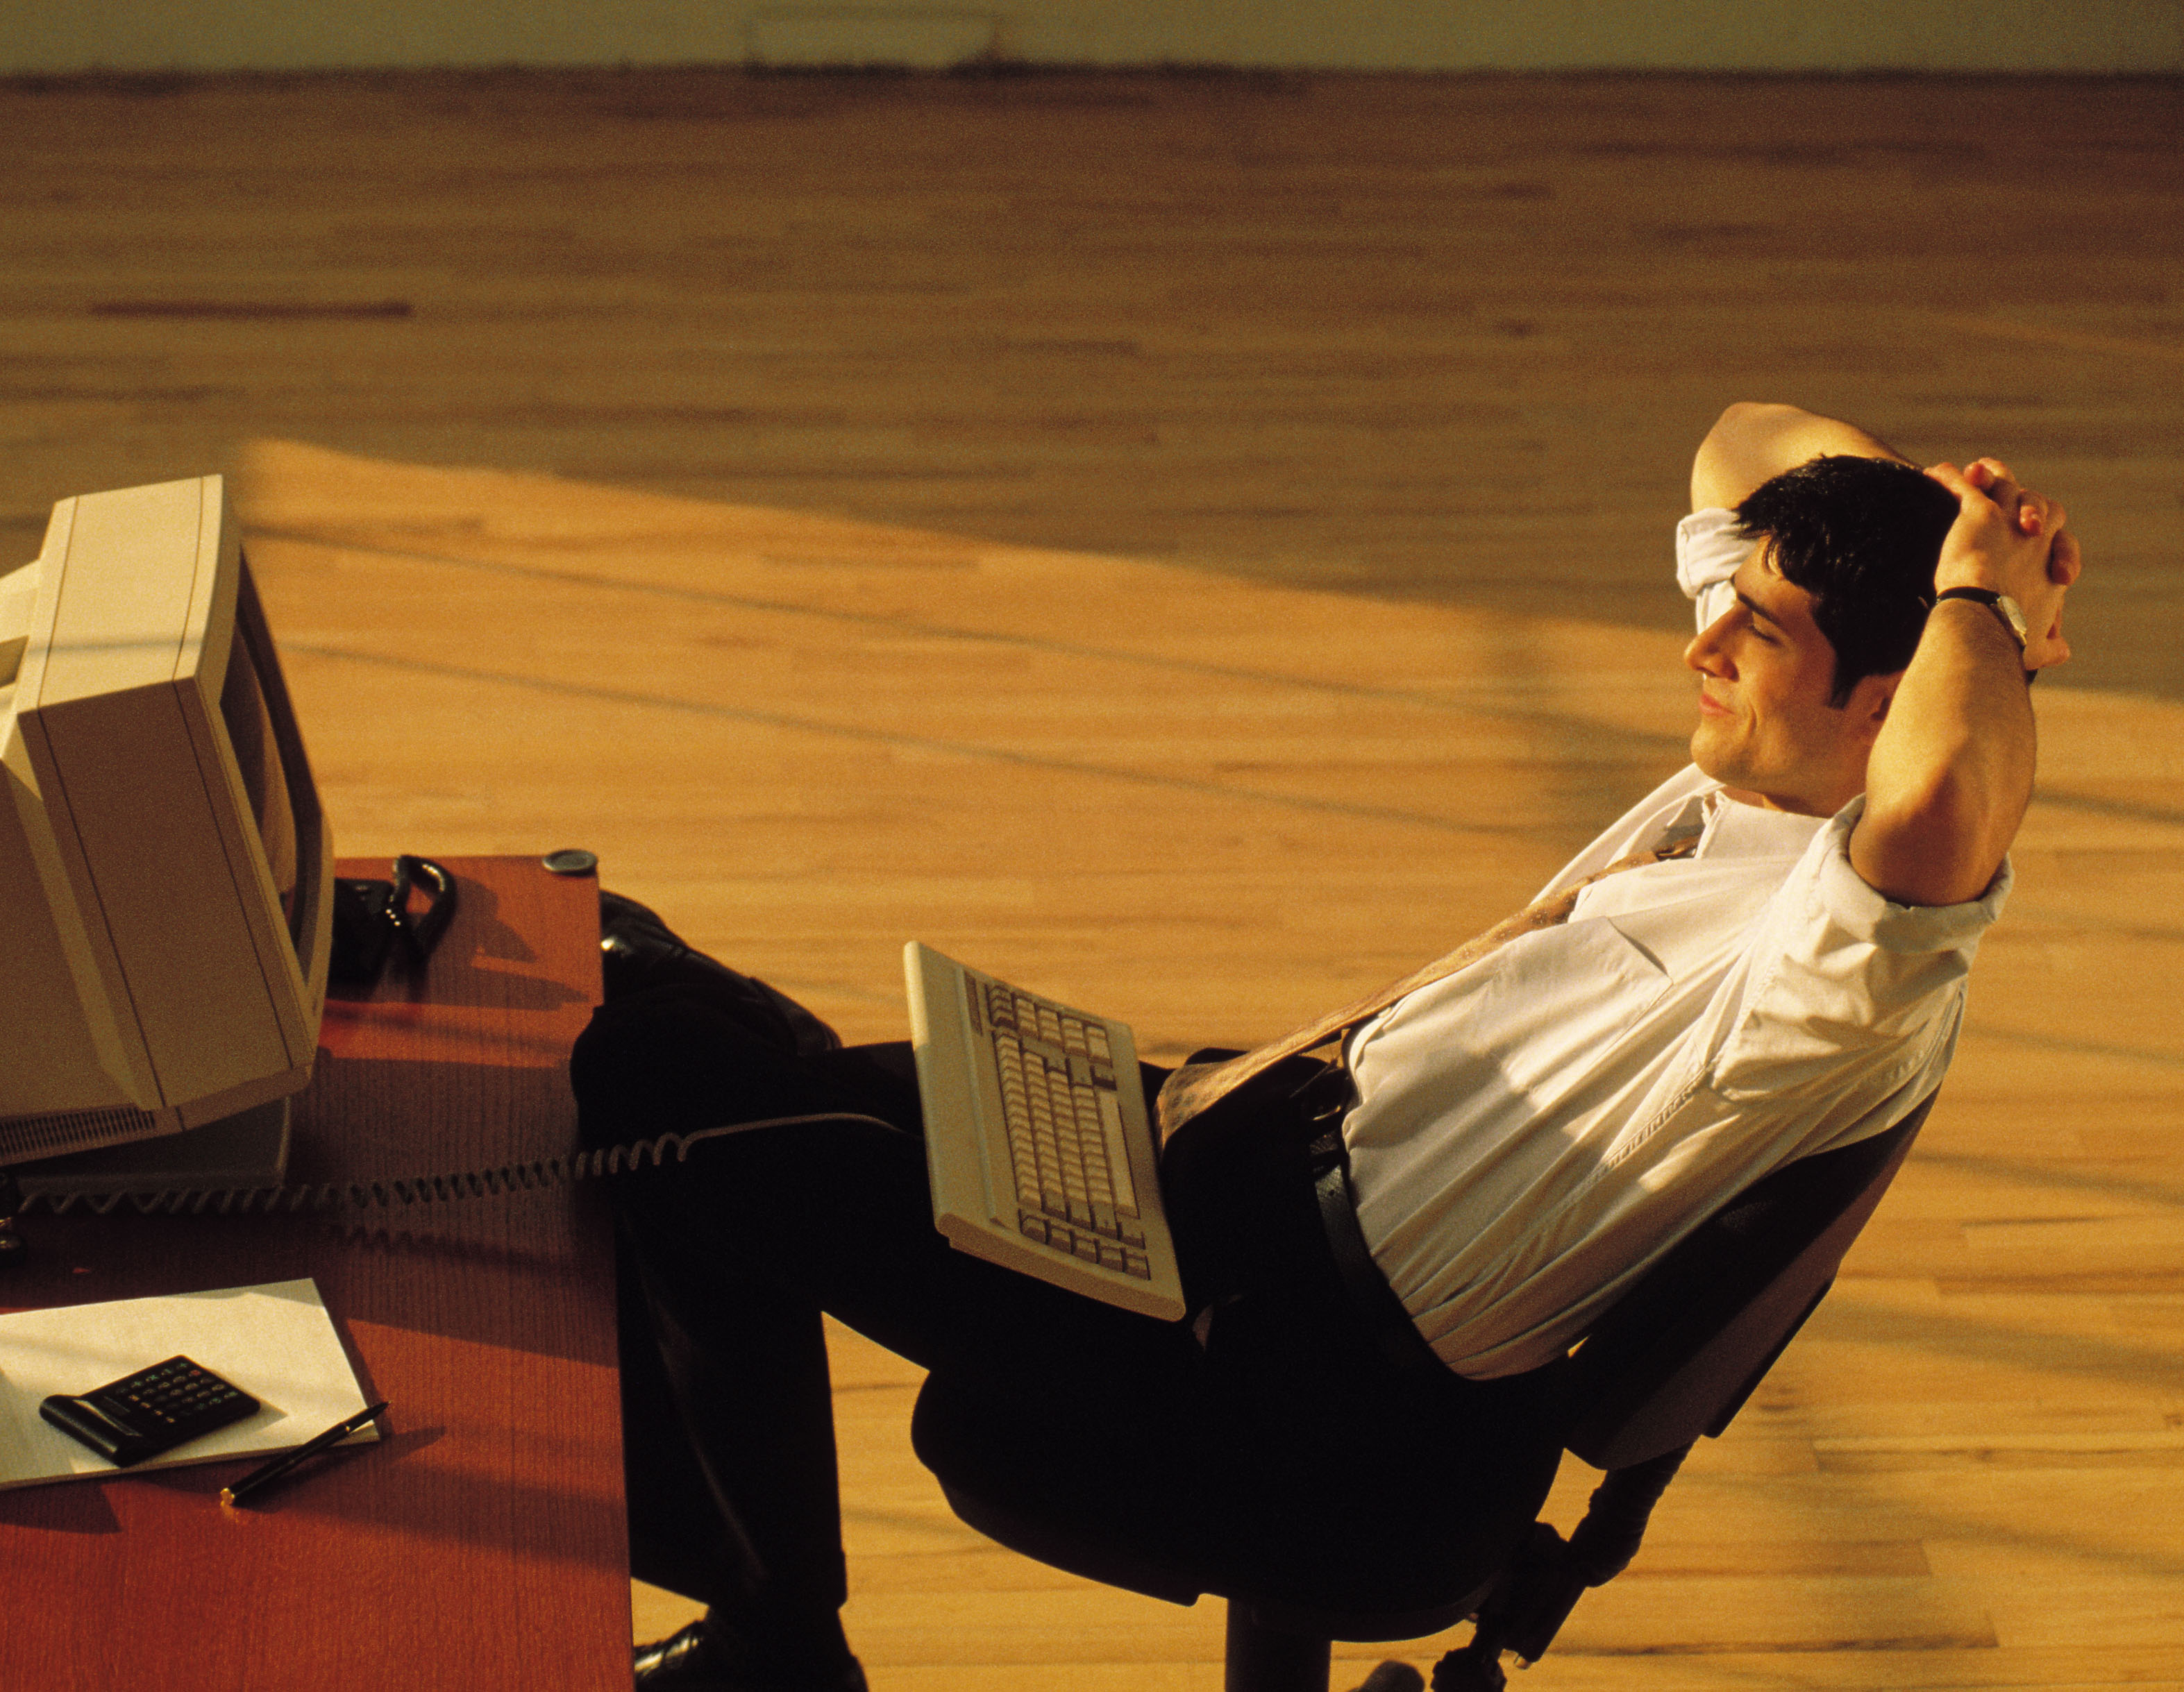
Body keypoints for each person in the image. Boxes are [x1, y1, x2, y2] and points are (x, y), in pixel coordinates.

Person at [571, 403, 2083, 1691]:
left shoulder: (1832, 968)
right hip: (1246, 1154)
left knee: (661, 1098)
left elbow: (1946, 798)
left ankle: (776, 1651)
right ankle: (771, 1629)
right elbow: (1737, 443)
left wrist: (1984, 610)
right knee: (743, 1062)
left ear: (1886, 699)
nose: (1702, 640)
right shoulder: (1774, 776)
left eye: (1755, 630)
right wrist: (1958, 519)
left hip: (1275, 1360)